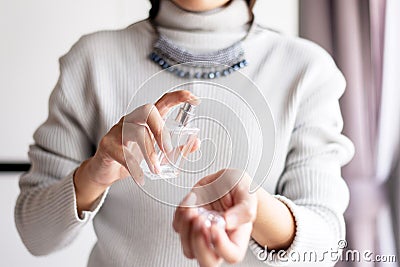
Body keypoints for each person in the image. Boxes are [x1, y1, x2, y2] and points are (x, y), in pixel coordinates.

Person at [15, 0, 354, 266]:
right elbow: (35, 235)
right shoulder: (91, 61)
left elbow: (325, 249)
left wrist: (254, 207)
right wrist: (95, 172)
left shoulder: (306, 69)